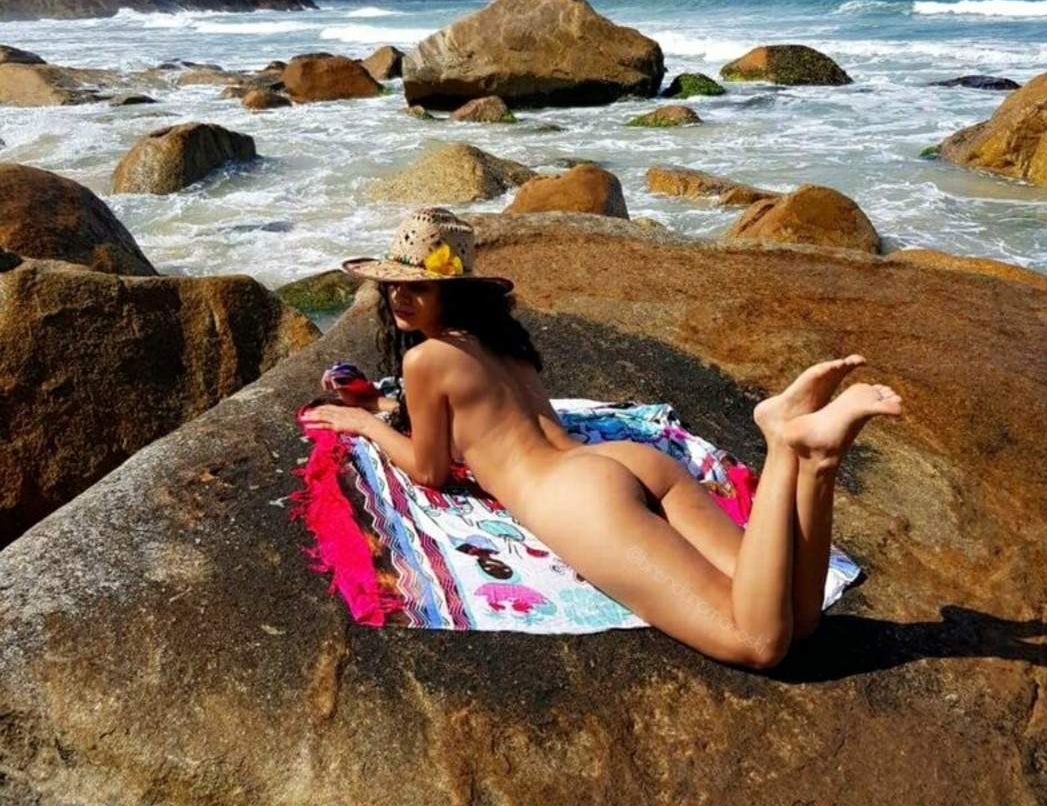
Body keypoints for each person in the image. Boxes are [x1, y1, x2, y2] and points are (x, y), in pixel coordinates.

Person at [300, 207, 903, 669]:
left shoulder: (425, 359)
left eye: (416, 287)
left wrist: (366, 424)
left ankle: (782, 442)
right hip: (628, 462)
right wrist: (385, 405)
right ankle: (816, 463)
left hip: (576, 499)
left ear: (450, 292)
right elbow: (481, 415)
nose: (399, 296)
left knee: (758, 641)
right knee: (796, 618)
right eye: (393, 285)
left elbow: (430, 470)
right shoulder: (504, 344)